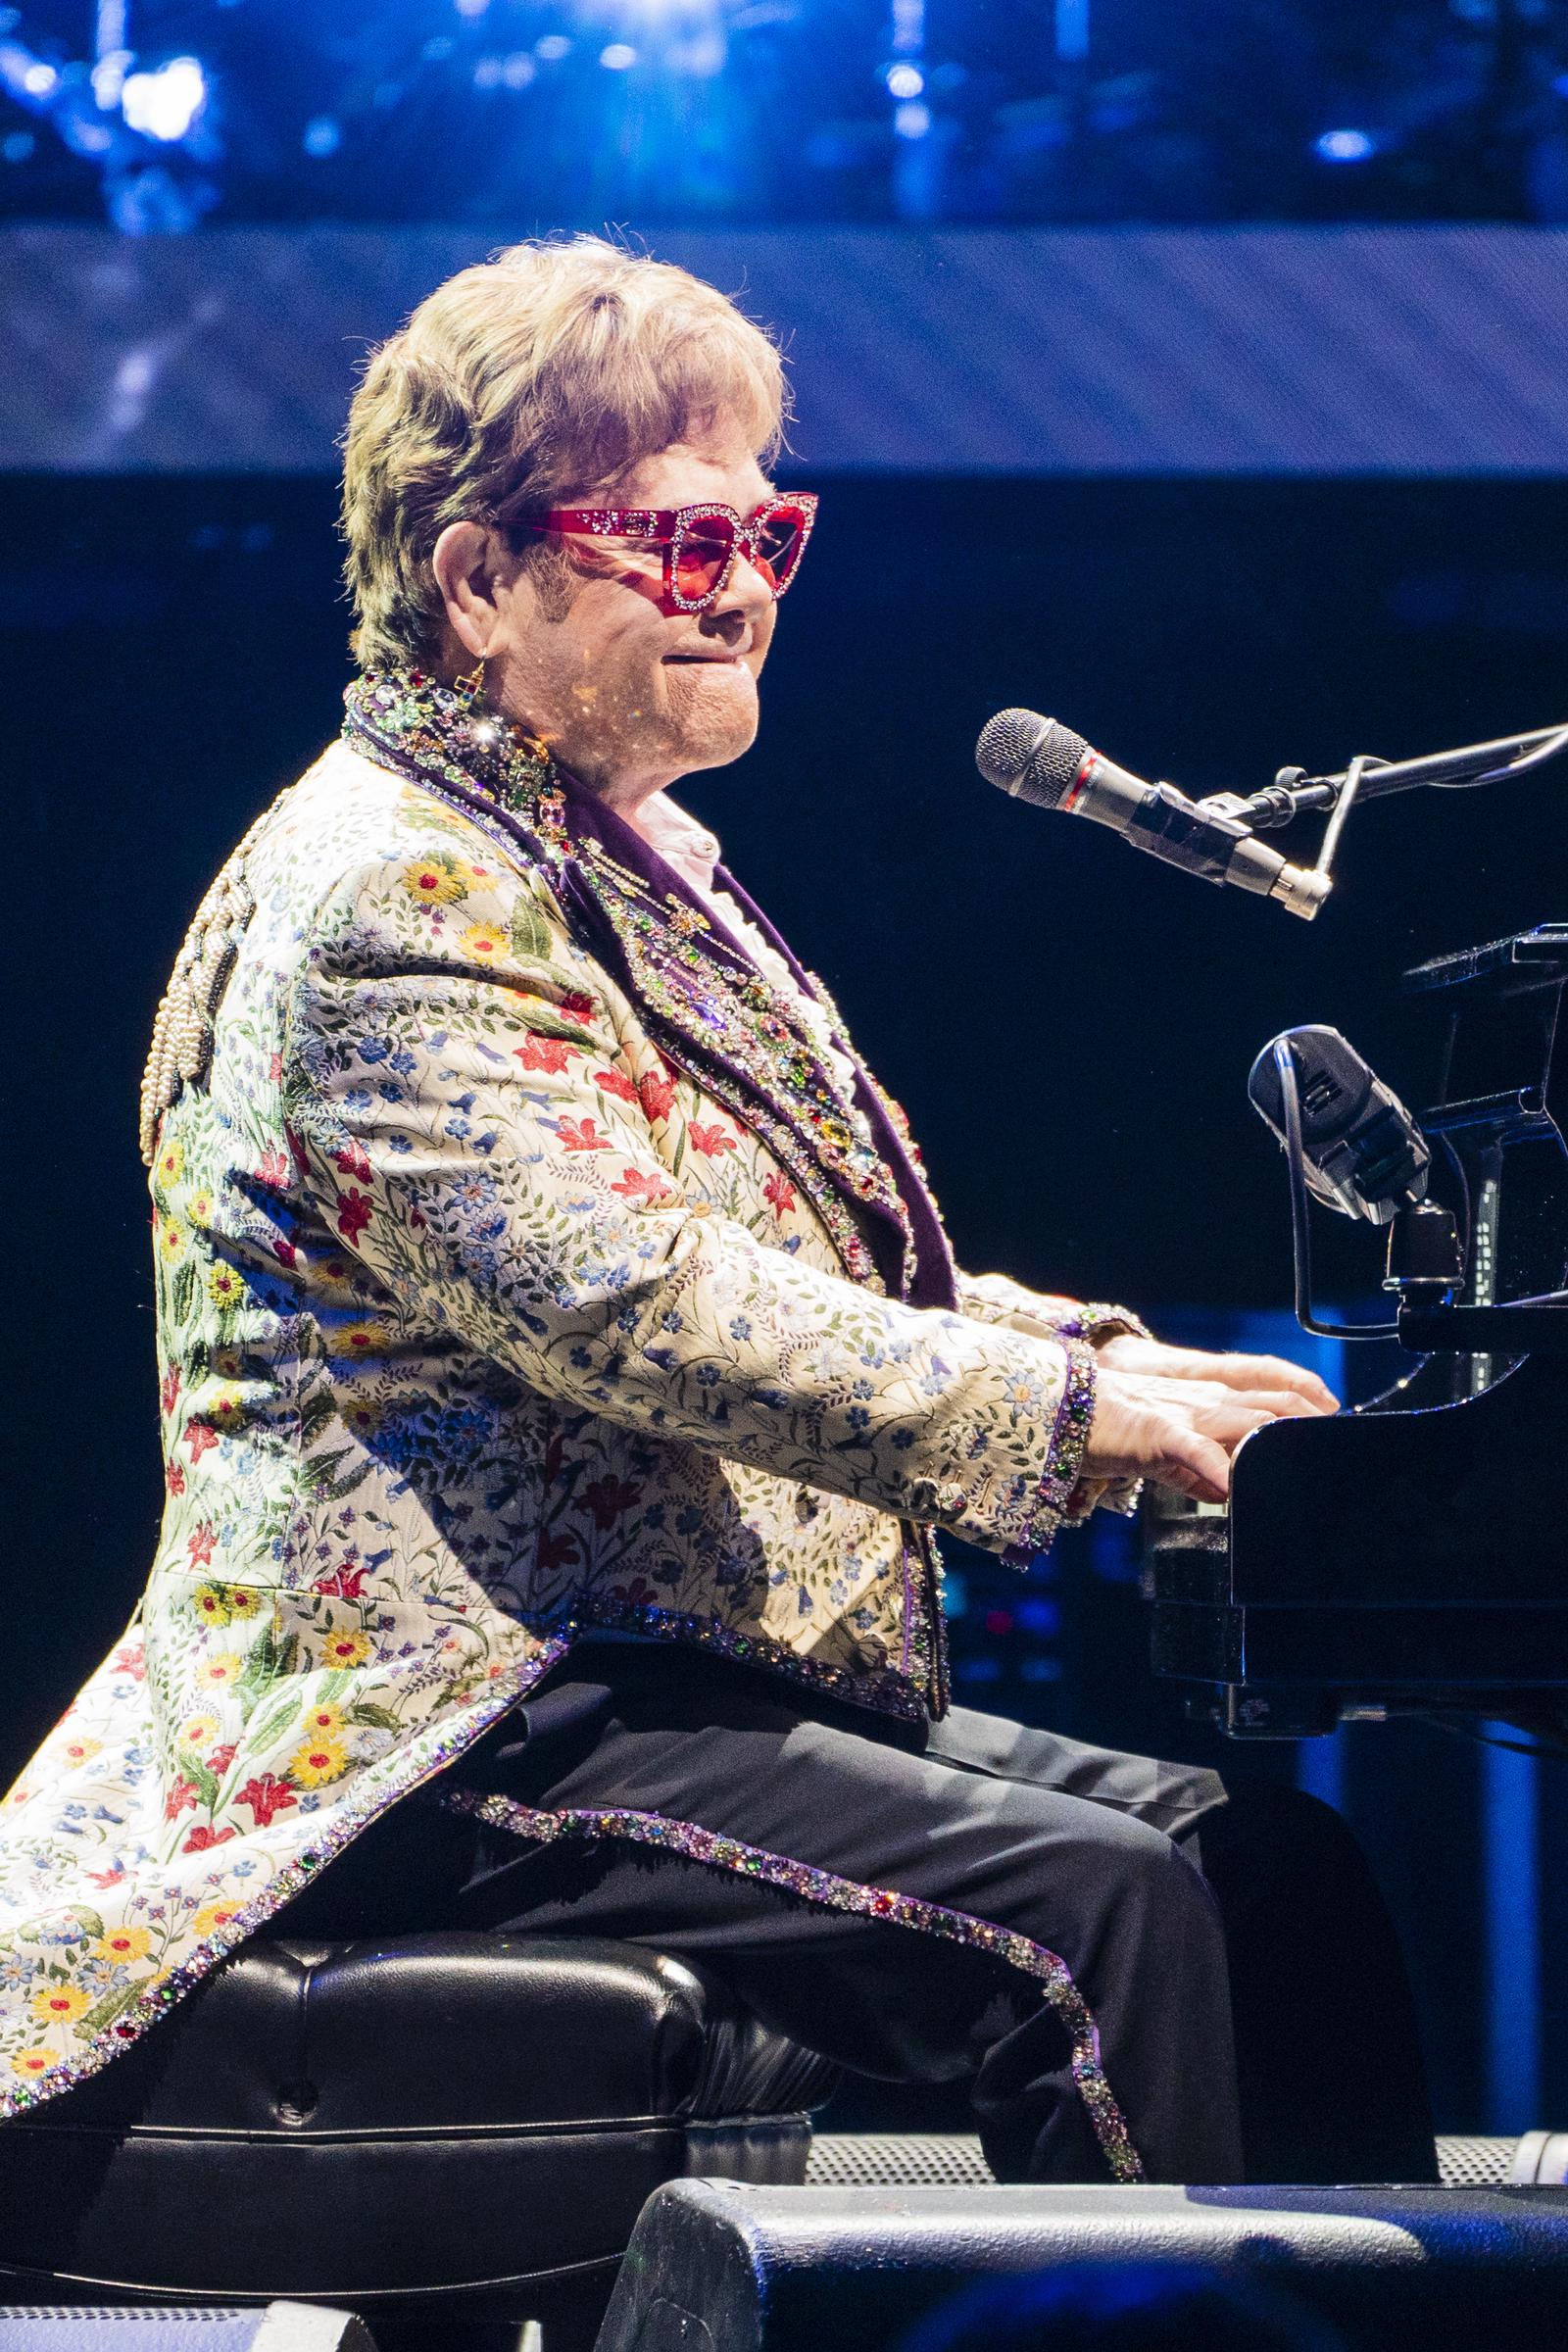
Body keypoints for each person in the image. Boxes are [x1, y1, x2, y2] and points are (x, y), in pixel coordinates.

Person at [0, 236, 1433, 2185]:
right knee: (1098, 1922)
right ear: (480, 580)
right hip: (434, 1728)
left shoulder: (605, 859)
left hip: (612, 1691)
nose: (747, 589)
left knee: (1256, 1867)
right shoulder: (389, 889)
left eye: (769, 534)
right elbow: (623, 1295)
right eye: (681, 547)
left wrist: (1105, 1364)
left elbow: (788, 1270)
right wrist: (1069, 1425)